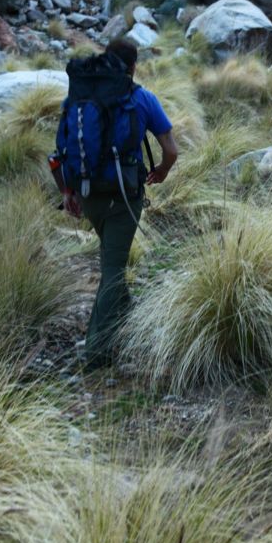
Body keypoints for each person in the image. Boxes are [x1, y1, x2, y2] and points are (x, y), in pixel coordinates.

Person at [63, 38, 178, 371]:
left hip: (87, 193)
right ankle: (97, 353)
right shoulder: (142, 98)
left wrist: (69, 191)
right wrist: (162, 171)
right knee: (112, 270)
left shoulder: (82, 96)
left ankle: (128, 312)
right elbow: (170, 149)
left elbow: (68, 145)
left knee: (110, 256)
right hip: (124, 196)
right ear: (133, 66)